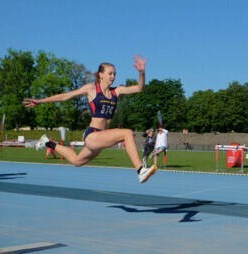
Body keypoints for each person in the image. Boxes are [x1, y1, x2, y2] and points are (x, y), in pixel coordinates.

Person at [23, 55, 157, 183]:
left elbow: (139, 88)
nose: (113, 76)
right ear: (101, 74)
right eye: (110, 73)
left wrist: (141, 72)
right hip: (93, 135)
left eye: (114, 74)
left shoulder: (117, 91)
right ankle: (140, 170)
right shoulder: (91, 89)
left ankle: (48, 143)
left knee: (76, 161)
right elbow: (65, 96)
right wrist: (40, 101)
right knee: (126, 133)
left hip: (101, 138)